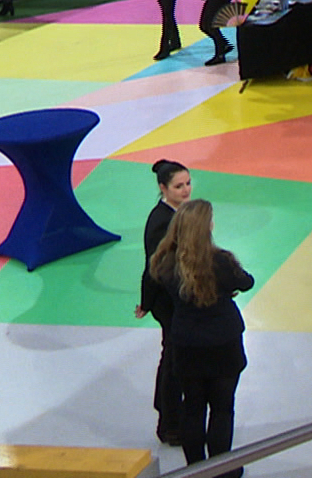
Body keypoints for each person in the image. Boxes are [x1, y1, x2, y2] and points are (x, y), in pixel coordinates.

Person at [147, 199, 252, 478]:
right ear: (206, 228)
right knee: (222, 409)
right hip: (223, 344)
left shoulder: (164, 262)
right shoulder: (222, 261)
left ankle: (195, 470)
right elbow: (246, 282)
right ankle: (222, 469)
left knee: (193, 408)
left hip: (187, 345)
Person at [133, 159, 193, 447]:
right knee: (172, 359)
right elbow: (155, 267)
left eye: (187, 184)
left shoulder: (179, 213)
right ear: (163, 188)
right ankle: (168, 421)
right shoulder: (161, 222)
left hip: (175, 297)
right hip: (168, 300)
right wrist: (146, 302)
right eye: (178, 186)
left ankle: (170, 415)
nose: (185, 190)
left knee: (173, 356)